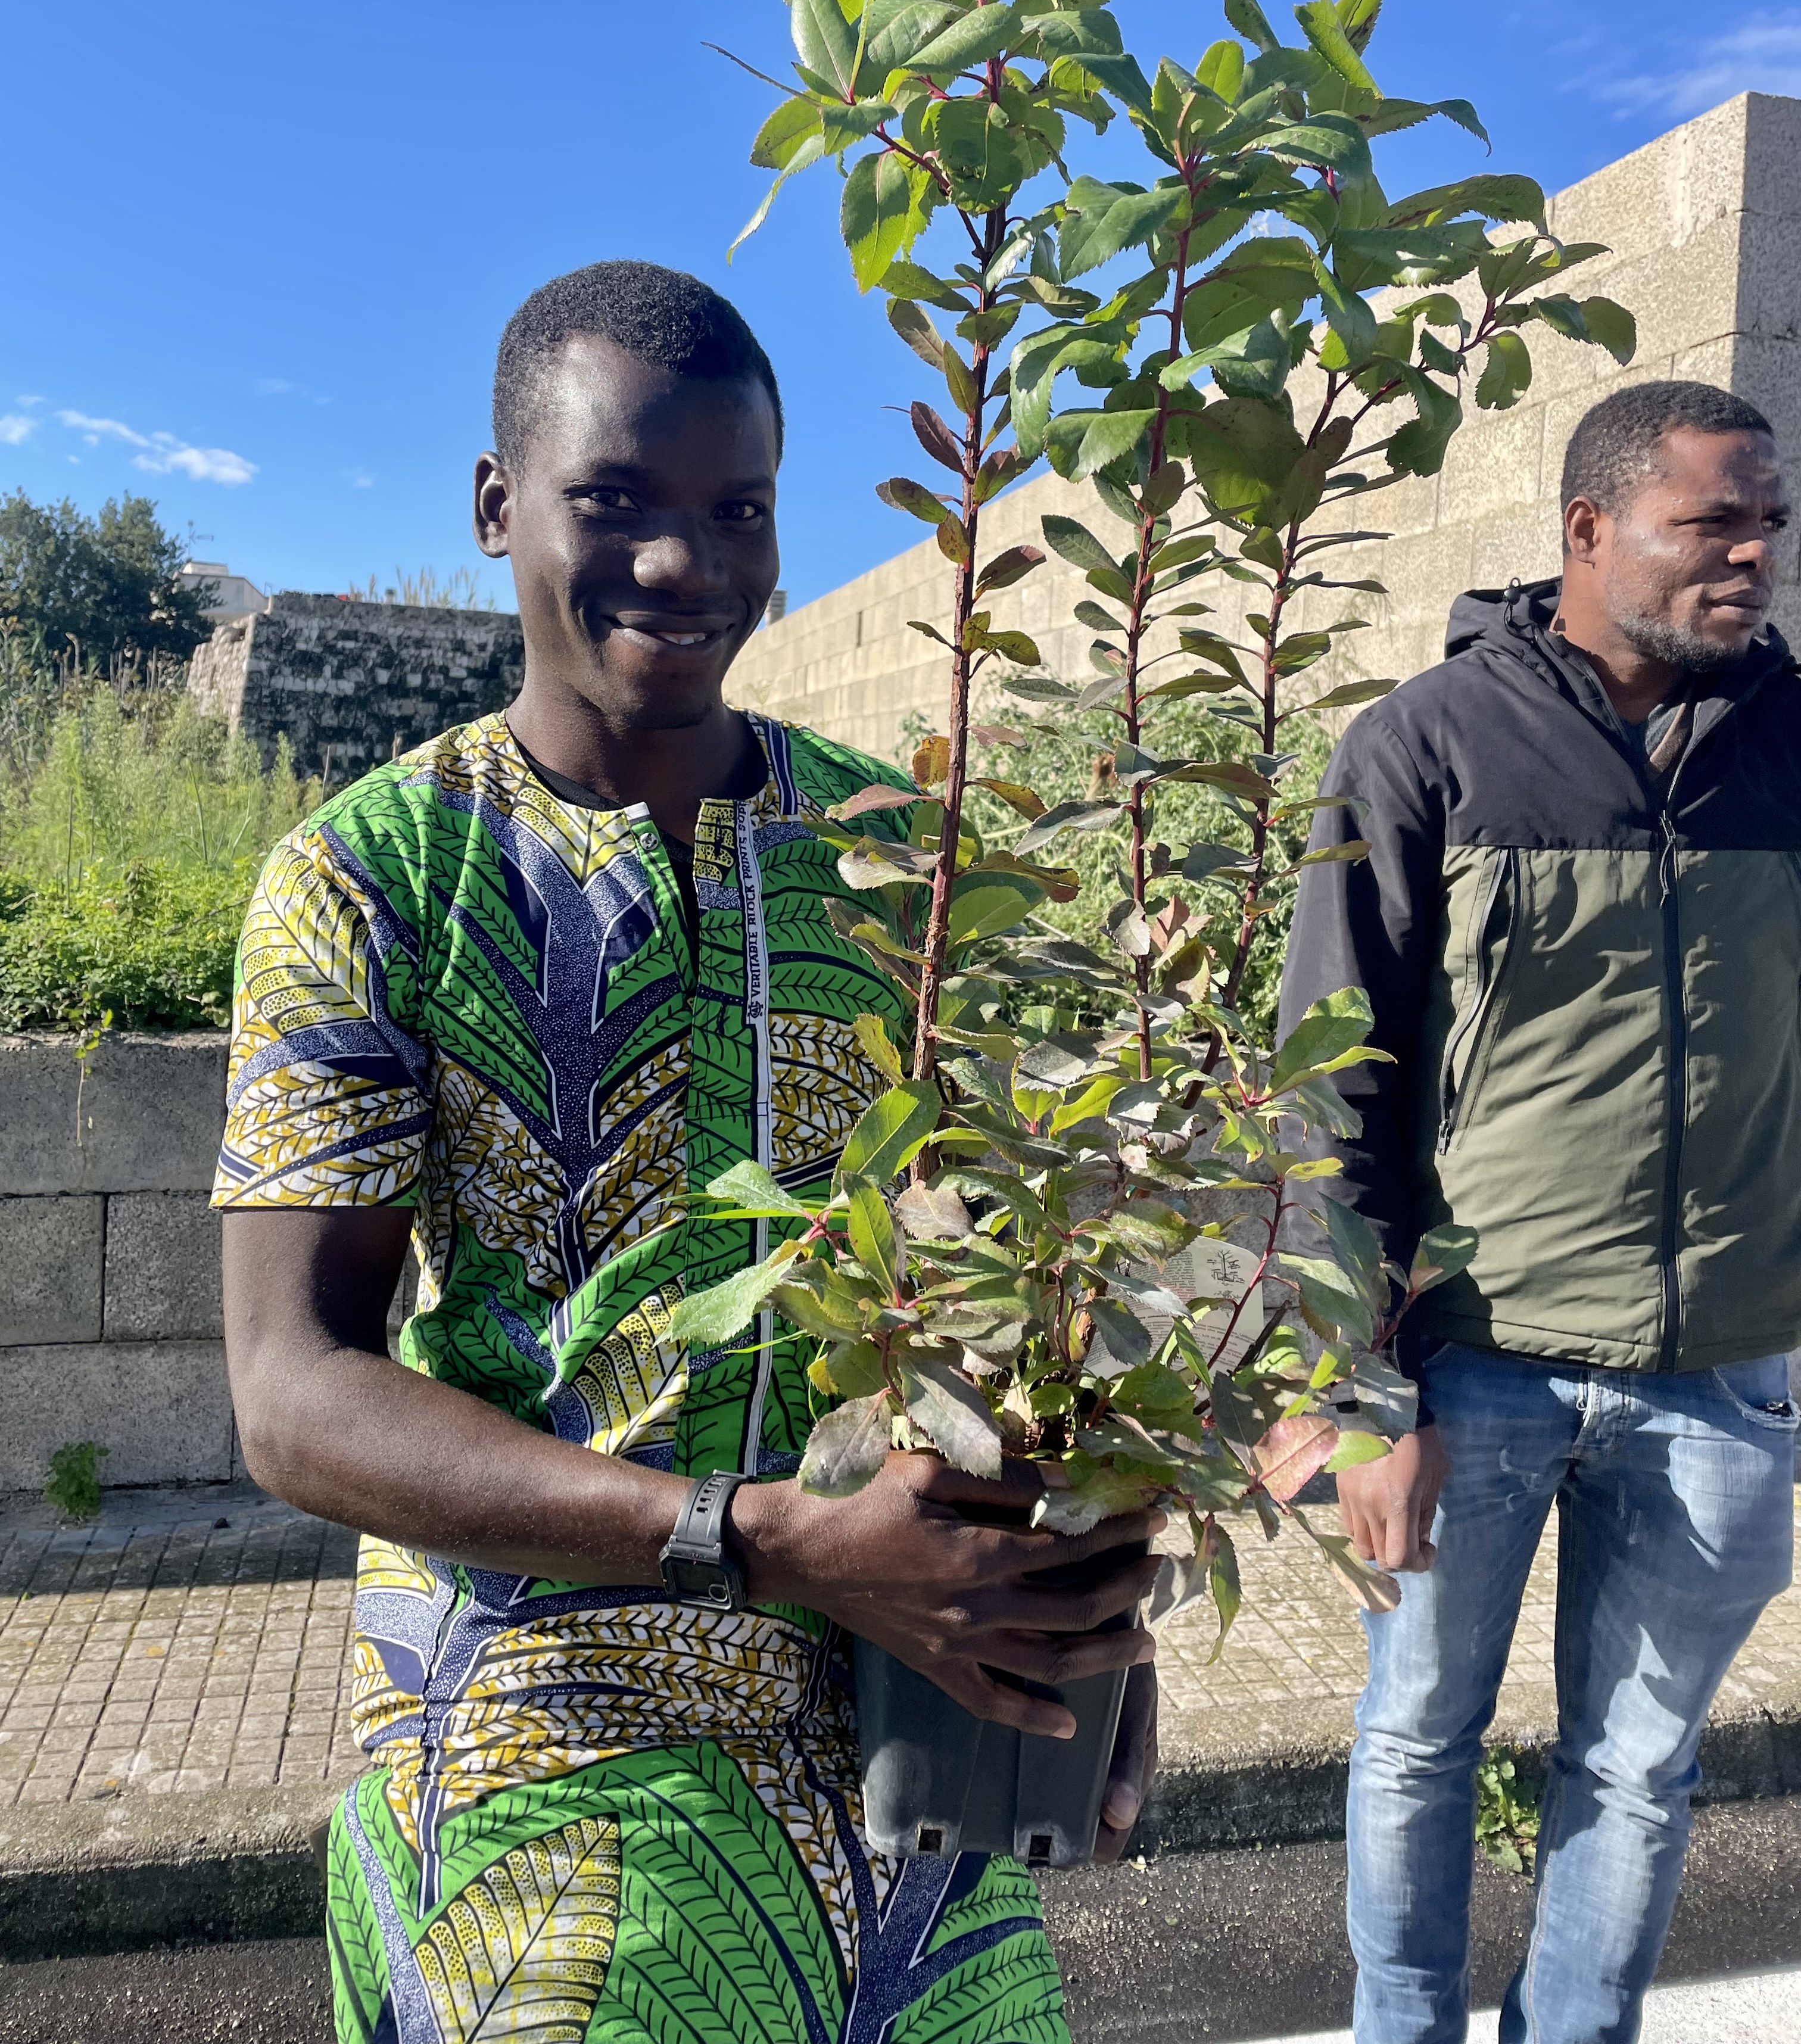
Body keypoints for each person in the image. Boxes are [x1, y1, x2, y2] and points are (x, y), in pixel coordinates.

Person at [217, 261, 1158, 2044]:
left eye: (738, 509)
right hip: (537, 1752)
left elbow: (995, 1301)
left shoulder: (897, 867)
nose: (685, 563)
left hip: (887, 1737)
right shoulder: (372, 876)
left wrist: (1078, 1620)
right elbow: (292, 1393)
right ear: (498, 506)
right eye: (617, 501)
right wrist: (762, 1538)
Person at [1280, 378, 1801, 2044]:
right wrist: (1352, 1398)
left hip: (1724, 1377)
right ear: (1590, 530)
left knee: (1643, 1766)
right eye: (1713, 523)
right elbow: (1326, 1091)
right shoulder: (1422, 745)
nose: (1754, 556)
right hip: (1474, 1366)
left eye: (1768, 523)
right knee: (1421, 1732)